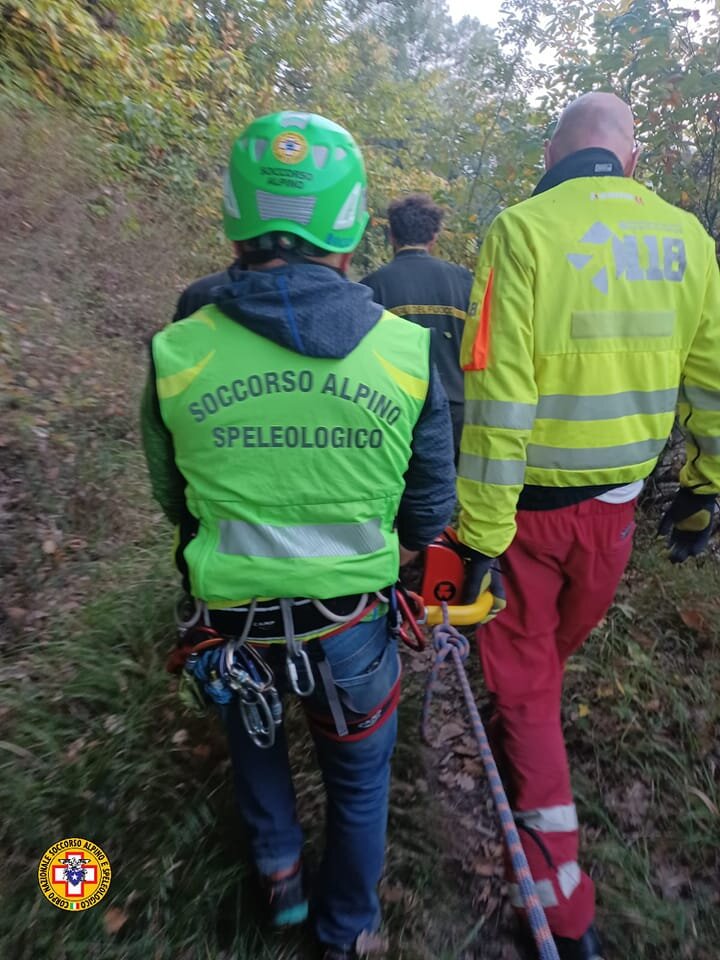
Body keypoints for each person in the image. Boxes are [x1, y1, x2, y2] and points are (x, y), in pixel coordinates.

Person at [141, 111, 455, 960]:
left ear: (237, 216)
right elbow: (429, 511)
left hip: (229, 623)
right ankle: (346, 927)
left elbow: (174, 496)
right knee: (358, 781)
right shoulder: (404, 351)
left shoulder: (180, 348)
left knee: (254, 739)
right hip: (350, 626)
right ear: (352, 224)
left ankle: (280, 875)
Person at [456, 92, 720, 960]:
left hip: (529, 521)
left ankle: (561, 905)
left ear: (552, 151)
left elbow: (498, 404)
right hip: (612, 524)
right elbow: (714, 384)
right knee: (539, 671)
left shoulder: (523, 230)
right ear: (633, 161)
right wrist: (704, 491)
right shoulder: (689, 240)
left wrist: (477, 545)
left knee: (528, 688)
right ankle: (523, 727)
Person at [361, 193, 473, 459]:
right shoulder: (466, 282)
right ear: (434, 237)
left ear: (392, 237)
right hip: (456, 409)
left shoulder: (371, 287)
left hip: (394, 409)